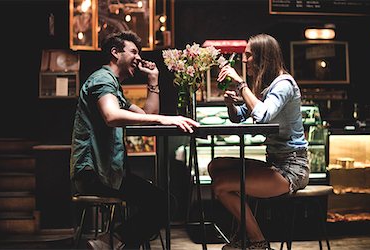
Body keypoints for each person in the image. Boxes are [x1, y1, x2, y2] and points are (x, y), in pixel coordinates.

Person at [70, 31, 199, 250]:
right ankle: (109, 242)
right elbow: (112, 116)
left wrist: (153, 80)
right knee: (164, 203)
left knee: (161, 203)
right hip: (94, 174)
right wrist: (165, 118)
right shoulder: (102, 80)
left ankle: (112, 241)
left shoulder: (113, 86)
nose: (138, 58)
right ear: (115, 53)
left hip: (107, 173)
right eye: (133, 52)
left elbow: (148, 118)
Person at [208, 34, 309, 250]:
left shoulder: (283, 84)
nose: (244, 60)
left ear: (263, 57)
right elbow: (240, 116)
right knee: (216, 166)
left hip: (291, 169)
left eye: (248, 55)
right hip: (275, 163)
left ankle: (258, 242)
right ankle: (244, 235)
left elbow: (262, 116)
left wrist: (241, 83)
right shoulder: (267, 86)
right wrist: (230, 104)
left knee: (220, 187)